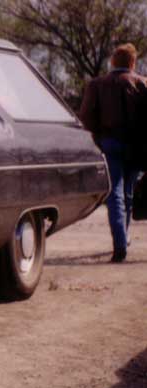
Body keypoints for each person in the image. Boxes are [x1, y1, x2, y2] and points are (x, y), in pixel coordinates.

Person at [79, 43, 146, 262]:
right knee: (127, 192)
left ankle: (120, 244)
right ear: (133, 63)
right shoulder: (142, 83)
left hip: (110, 143)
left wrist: (98, 138)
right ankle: (124, 238)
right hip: (136, 146)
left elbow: (86, 116)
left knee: (114, 194)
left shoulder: (97, 84)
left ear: (112, 62)